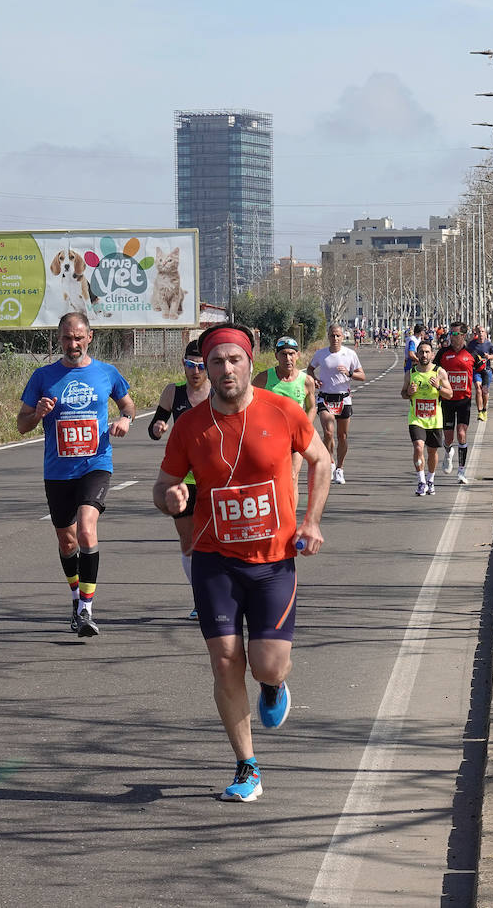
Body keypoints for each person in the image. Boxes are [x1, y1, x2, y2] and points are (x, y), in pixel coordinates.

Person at [153, 323, 332, 803]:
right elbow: (164, 486)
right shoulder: (190, 426)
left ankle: (274, 688)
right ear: (204, 369)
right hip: (216, 559)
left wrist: (310, 521)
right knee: (225, 660)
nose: (226, 369)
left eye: (234, 360)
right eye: (216, 362)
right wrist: (171, 498)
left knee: (267, 666)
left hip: (274, 560)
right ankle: (246, 765)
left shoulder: (283, 409)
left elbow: (320, 460)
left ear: (251, 363)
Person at [18, 312, 136, 639]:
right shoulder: (43, 376)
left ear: (90, 337)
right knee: (66, 540)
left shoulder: (107, 373)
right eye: (68, 338)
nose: (74, 344)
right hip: (58, 471)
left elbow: (128, 406)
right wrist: (37, 414)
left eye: (79, 337)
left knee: (86, 528)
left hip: (95, 464)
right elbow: (21, 424)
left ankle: (86, 608)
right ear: (59, 339)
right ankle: (74, 598)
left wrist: (125, 420)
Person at [149, 340, 212, 620]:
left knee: (215, 538)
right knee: (188, 540)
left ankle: (222, 592)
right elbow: (155, 426)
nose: (195, 371)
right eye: (190, 365)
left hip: (214, 476)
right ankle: (200, 597)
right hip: (182, 478)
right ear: (183, 365)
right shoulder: (173, 393)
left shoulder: (218, 392)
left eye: (200, 366)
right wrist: (158, 427)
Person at [252, 336, 318, 487]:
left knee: (292, 477)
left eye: (291, 354)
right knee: (271, 478)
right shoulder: (264, 378)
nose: (287, 358)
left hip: (295, 437)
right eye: (283, 354)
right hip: (270, 437)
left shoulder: (306, 380)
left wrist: (305, 427)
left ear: (297, 355)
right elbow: (249, 402)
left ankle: (290, 511)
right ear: (276, 356)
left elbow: (312, 407)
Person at [307, 325, 366, 484]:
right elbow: (310, 369)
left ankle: (340, 468)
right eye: (333, 335)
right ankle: (331, 462)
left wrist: (349, 373)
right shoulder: (321, 354)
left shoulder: (350, 354)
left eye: (338, 336)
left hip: (344, 399)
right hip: (325, 398)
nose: (335, 339)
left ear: (343, 337)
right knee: (328, 432)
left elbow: (362, 375)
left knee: (342, 436)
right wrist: (315, 380)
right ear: (328, 336)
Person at [403, 338, 454, 495]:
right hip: (416, 418)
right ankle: (421, 481)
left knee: (432, 452)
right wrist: (409, 393)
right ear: (417, 354)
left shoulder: (439, 372)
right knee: (418, 447)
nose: (424, 355)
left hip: (434, 419)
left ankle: (431, 479)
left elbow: (450, 394)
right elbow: (403, 393)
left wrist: (438, 387)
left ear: (432, 355)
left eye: (427, 352)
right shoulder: (410, 373)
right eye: (421, 352)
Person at [436, 322, 478, 483]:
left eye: (455, 334)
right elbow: (434, 370)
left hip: (464, 401)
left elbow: (483, 371)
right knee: (448, 438)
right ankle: (448, 453)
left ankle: (461, 471)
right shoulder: (443, 353)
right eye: (450, 334)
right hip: (447, 400)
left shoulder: (472, 353)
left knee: (461, 433)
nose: (451, 337)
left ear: (463, 335)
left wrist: (481, 388)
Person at [467, 325, 493, 421]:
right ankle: (480, 412)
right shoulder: (472, 344)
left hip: (486, 371)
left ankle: (484, 409)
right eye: (479, 332)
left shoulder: (488, 344)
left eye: (482, 331)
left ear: (485, 333)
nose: (481, 333)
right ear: (476, 333)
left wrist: (489, 357)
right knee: (478, 389)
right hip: (476, 370)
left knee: (484, 391)